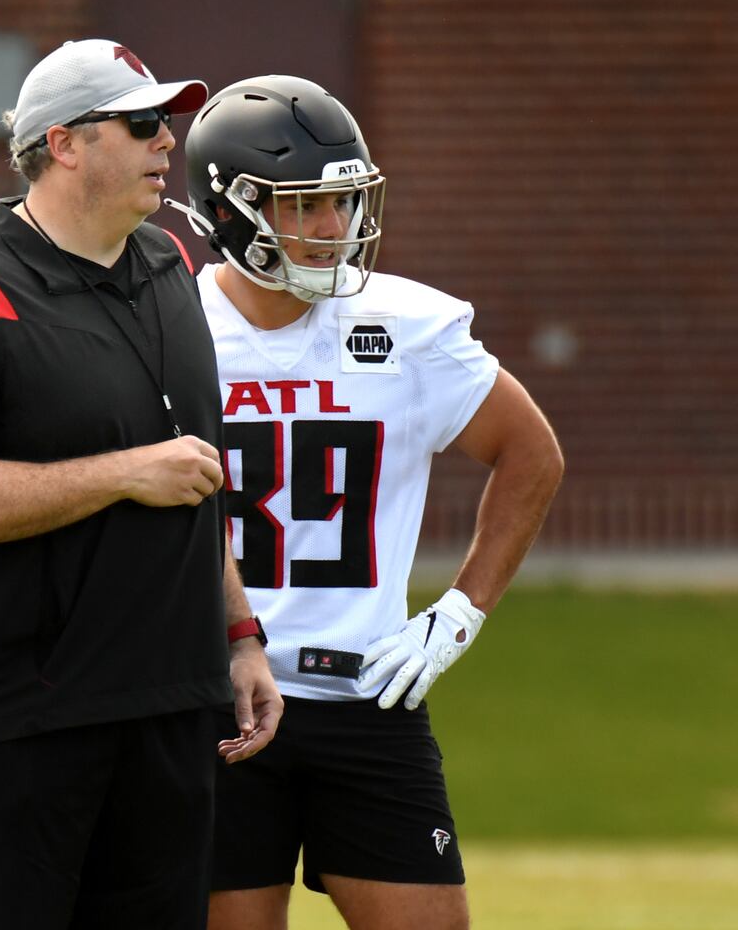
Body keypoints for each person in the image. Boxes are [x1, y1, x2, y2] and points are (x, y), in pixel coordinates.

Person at [0, 39, 283, 930]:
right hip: (12, 727)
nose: (166, 144)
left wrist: (240, 633)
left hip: (169, 712)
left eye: (166, 124)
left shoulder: (170, 265)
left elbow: (196, 479)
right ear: (62, 144)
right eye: (140, 125)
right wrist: (119, 476)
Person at [170, 75, 564, 930]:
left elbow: (531, 453)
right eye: (303, 207)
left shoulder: (407, 325)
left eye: (344, 203)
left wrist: (461, 612)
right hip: (217, 698)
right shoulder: (167, 325)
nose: (331, 230)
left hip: (366, 693)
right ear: (230, 213)